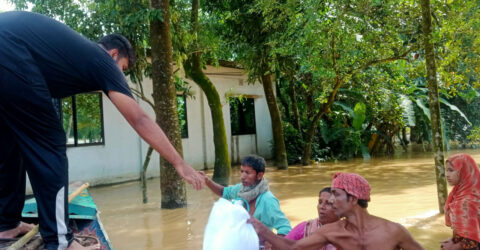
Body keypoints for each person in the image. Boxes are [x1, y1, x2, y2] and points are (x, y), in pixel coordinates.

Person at [0, 11, 204, 250]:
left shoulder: (68, 57)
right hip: (10, 50)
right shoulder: (102, 60)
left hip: (9, 48)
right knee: (51, 146)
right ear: (114, 53)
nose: (120, 77)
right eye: (123, 69)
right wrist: (179, 163)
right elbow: (139, 119)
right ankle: (60, 240)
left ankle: (6, 224)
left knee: (11, 142)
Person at [248, 172, 424, 250]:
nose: (330, 201)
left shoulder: (393, 231)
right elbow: (293, 247)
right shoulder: (331, 231)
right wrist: (262, 229)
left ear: (353, 199)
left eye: (336, 194)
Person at [201, 155, 291, 242]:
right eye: (242, 171)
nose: (242, 177)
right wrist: (207, 181)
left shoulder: (268, 200)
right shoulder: (239, 189)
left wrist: (272, 245)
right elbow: (223, 192)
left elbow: (285, 228)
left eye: (247, 173)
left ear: (259, 175)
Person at [441, 153, 480, 250]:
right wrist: (455, 239)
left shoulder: (466, 202)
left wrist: (455, 246)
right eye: (446, 170)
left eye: (451, 170)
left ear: (463, 171)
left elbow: (474, 242)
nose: (447, 175)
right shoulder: (462, 194)